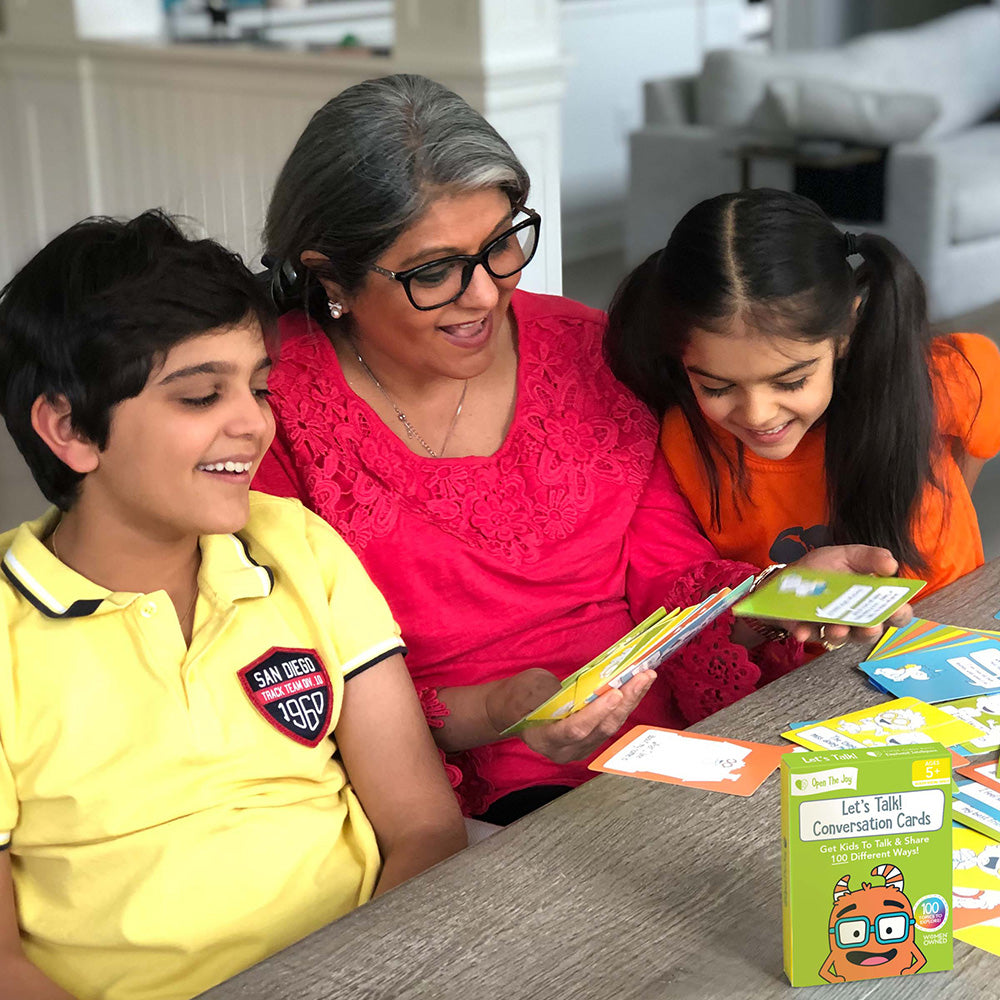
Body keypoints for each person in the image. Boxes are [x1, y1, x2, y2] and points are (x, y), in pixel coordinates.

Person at [253, 75, 910, 825]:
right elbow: (299, 674)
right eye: (433, 272)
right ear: (328, 274)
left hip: (668, 744)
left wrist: (783, 596)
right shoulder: (267, 405)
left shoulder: (586, 348)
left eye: (501, 246)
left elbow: (669, 575)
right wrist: (499, 709)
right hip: (445, 787)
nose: (484, 294)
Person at [0, 211, 466, 1000]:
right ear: (71, 428)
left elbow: (423, 826)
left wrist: (366, 979)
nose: (254, 423)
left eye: (257, 387)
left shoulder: (298, 546)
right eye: (199, 396)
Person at [606, 188, 1000, 599]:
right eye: (717, 387)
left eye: (791, 381)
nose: (757, 415)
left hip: (953, 621)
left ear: (845, 330)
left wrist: (941, 492)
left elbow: (981, 388)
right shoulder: (681, 442)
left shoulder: (947, 378)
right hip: (795, 639)